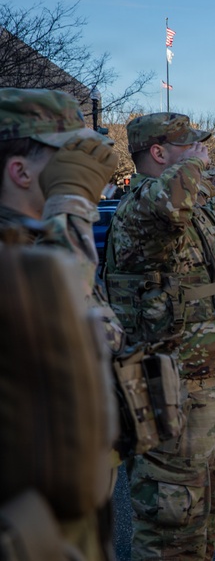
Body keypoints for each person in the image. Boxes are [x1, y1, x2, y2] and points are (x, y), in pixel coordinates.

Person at [105, 112, 215, 560]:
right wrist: (197, 167)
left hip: (204, 390)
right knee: (171, 531)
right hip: (168, 394)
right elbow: (174, 202)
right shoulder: (145, 203)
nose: (202, 151)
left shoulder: (181, 199)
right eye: (190, 145)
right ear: (159, 153)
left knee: (202, 524)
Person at [0, 88, 121, 560]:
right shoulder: (32, 250)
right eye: (68, 153)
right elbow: (52, 312)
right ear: (20, 170)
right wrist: (70, 203)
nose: (85, 163)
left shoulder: (35, 238)